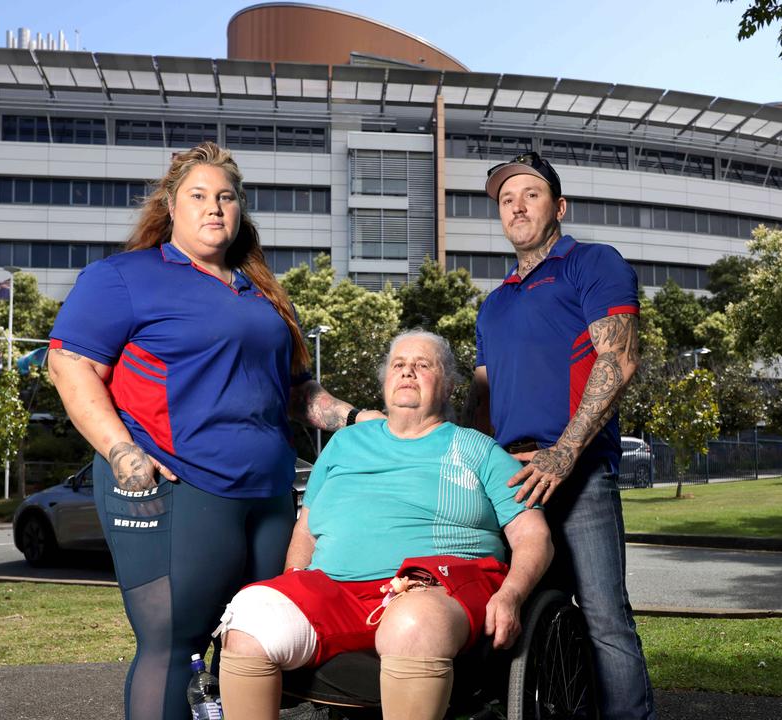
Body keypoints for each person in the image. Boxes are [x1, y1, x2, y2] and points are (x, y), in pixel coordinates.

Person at [47, 142, 379, 720]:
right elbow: (69, 366)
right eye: (198, 196)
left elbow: (299, 394)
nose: (214, 208)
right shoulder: (124, 278)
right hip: (178, 488)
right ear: (170, 207)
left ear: (240, 210)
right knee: (173, 646)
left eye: (226, 197)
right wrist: (123, 451)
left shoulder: (265, 294)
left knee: (253, 649)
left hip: (270, 495)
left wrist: (356, 419)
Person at [216, 330, 553, 720]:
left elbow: (533, 535)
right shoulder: (344, 444)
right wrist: (296, 583)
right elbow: (305, 530)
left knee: (410, 622)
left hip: (438, 586)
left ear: (446, 384)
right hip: (338, 589)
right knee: (251, 615)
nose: (408, 372)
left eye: (423, 365)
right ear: (385, 381)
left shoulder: (478, 450)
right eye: (399, 365)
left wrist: (510, 596)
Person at [464, 152, 655, 719]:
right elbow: (483, 396)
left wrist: (565, 451)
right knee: (513, 608)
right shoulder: (494, 305)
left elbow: (617, 360)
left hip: (578, 470)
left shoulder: (592, 264)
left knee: (603, 618)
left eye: (531, 194)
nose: (517, 205)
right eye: (506, 199)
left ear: (559, 206)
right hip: (508, 480)